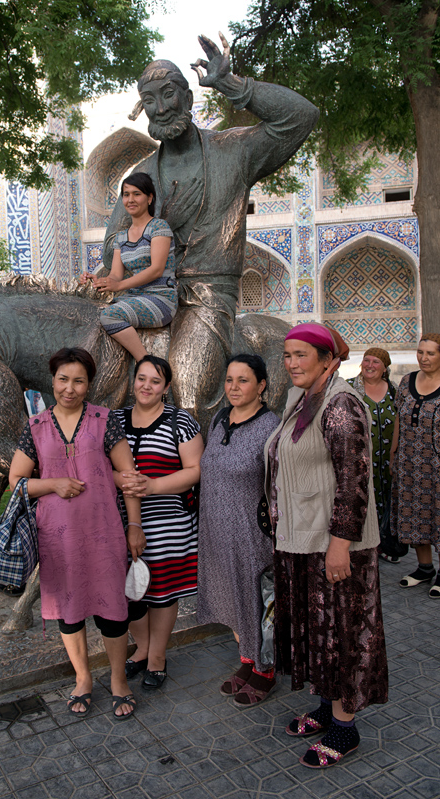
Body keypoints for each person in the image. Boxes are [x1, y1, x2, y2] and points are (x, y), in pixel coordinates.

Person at [102, 33, 318, 430]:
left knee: (186, 388)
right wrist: (151, 234)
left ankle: (195, 483)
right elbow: (110, 245)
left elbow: (300, 117)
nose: (162, 107)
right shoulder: (144, 174)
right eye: (150, 100)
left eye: (169, 94)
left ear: (187, 97)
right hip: (152, 292)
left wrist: (232, 85)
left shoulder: (233, 150)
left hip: (206, 293)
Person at [265, 323, 387, 768]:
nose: (292, 363)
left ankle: (345, 728)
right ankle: (325, 705)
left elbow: (354, 481)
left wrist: (340, 546)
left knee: (342, 632)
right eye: (288, 355)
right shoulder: (301, 399)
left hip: (336, 544)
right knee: (318, 630)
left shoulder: (340, 407)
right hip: (303, 538)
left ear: (327, 359)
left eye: (301, 355)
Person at [9, 347, 144, 719]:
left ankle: (118, 680)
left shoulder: (105, 420)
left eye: (79, 380)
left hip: (104, 532)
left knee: (112, 613)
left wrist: (135, 527)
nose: (70, 388)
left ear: (89, 384)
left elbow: (129, 480)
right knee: (69, 613)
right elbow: (16, 481)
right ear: (52, 381)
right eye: (63, 379)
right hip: (57, 537)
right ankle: (83, 678)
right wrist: (52, 484)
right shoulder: (35, 427)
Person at [112, 355, 203, 689]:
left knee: (163, 593)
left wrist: (153, 486)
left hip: (169, 523)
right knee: (131, 593)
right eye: (141, 378)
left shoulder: (181, 421)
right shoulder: (115, 420)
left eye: (155, 381)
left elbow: (195, 470)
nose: (146, 386)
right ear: (133, 381)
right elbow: (97, 465)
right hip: (121, 522)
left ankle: (157, 656)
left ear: (166, 387)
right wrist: (120, 480)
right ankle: (143, 647)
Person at [197, 354, 280, 707]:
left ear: (261, 385)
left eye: (242, 380)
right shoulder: (219, 418)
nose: (233, 387)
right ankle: (247, 660)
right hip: (216, 530)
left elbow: (279, 487)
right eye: (229, 380)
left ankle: (266, 669)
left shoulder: (270, 427)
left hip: (252, 534)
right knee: (232, 599)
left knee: (255, 601)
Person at [80, 173, 177, 363]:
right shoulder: (121, 237)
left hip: (161, 298)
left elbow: (157, 269)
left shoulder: (159, 227)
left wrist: (119, 286)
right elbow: (116, 275)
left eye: (136, 194)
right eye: (126, 194)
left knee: (110, 315)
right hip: (132, 296)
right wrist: (100, 281)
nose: (130, 200)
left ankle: (146, 363)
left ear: (149, 198)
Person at [392, 334, 440, 598]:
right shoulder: (406, 381)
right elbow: (400, 417)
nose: (424, 358)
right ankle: (424, 568)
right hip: (409, 462)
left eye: (431, 353)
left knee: (438, 515)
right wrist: (393, 453)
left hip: (437, 463)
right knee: (415, 514)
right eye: (420, 352)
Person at [347, 348, 402, 563]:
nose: (369, 365)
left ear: (385, 367)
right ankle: (363, 546)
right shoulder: (349, 389)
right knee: (362, 500)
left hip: (387, 462)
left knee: (388, 501)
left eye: (376, 362)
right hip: (360, 460)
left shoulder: (394, 390)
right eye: (366, 360)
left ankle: (386, 544)